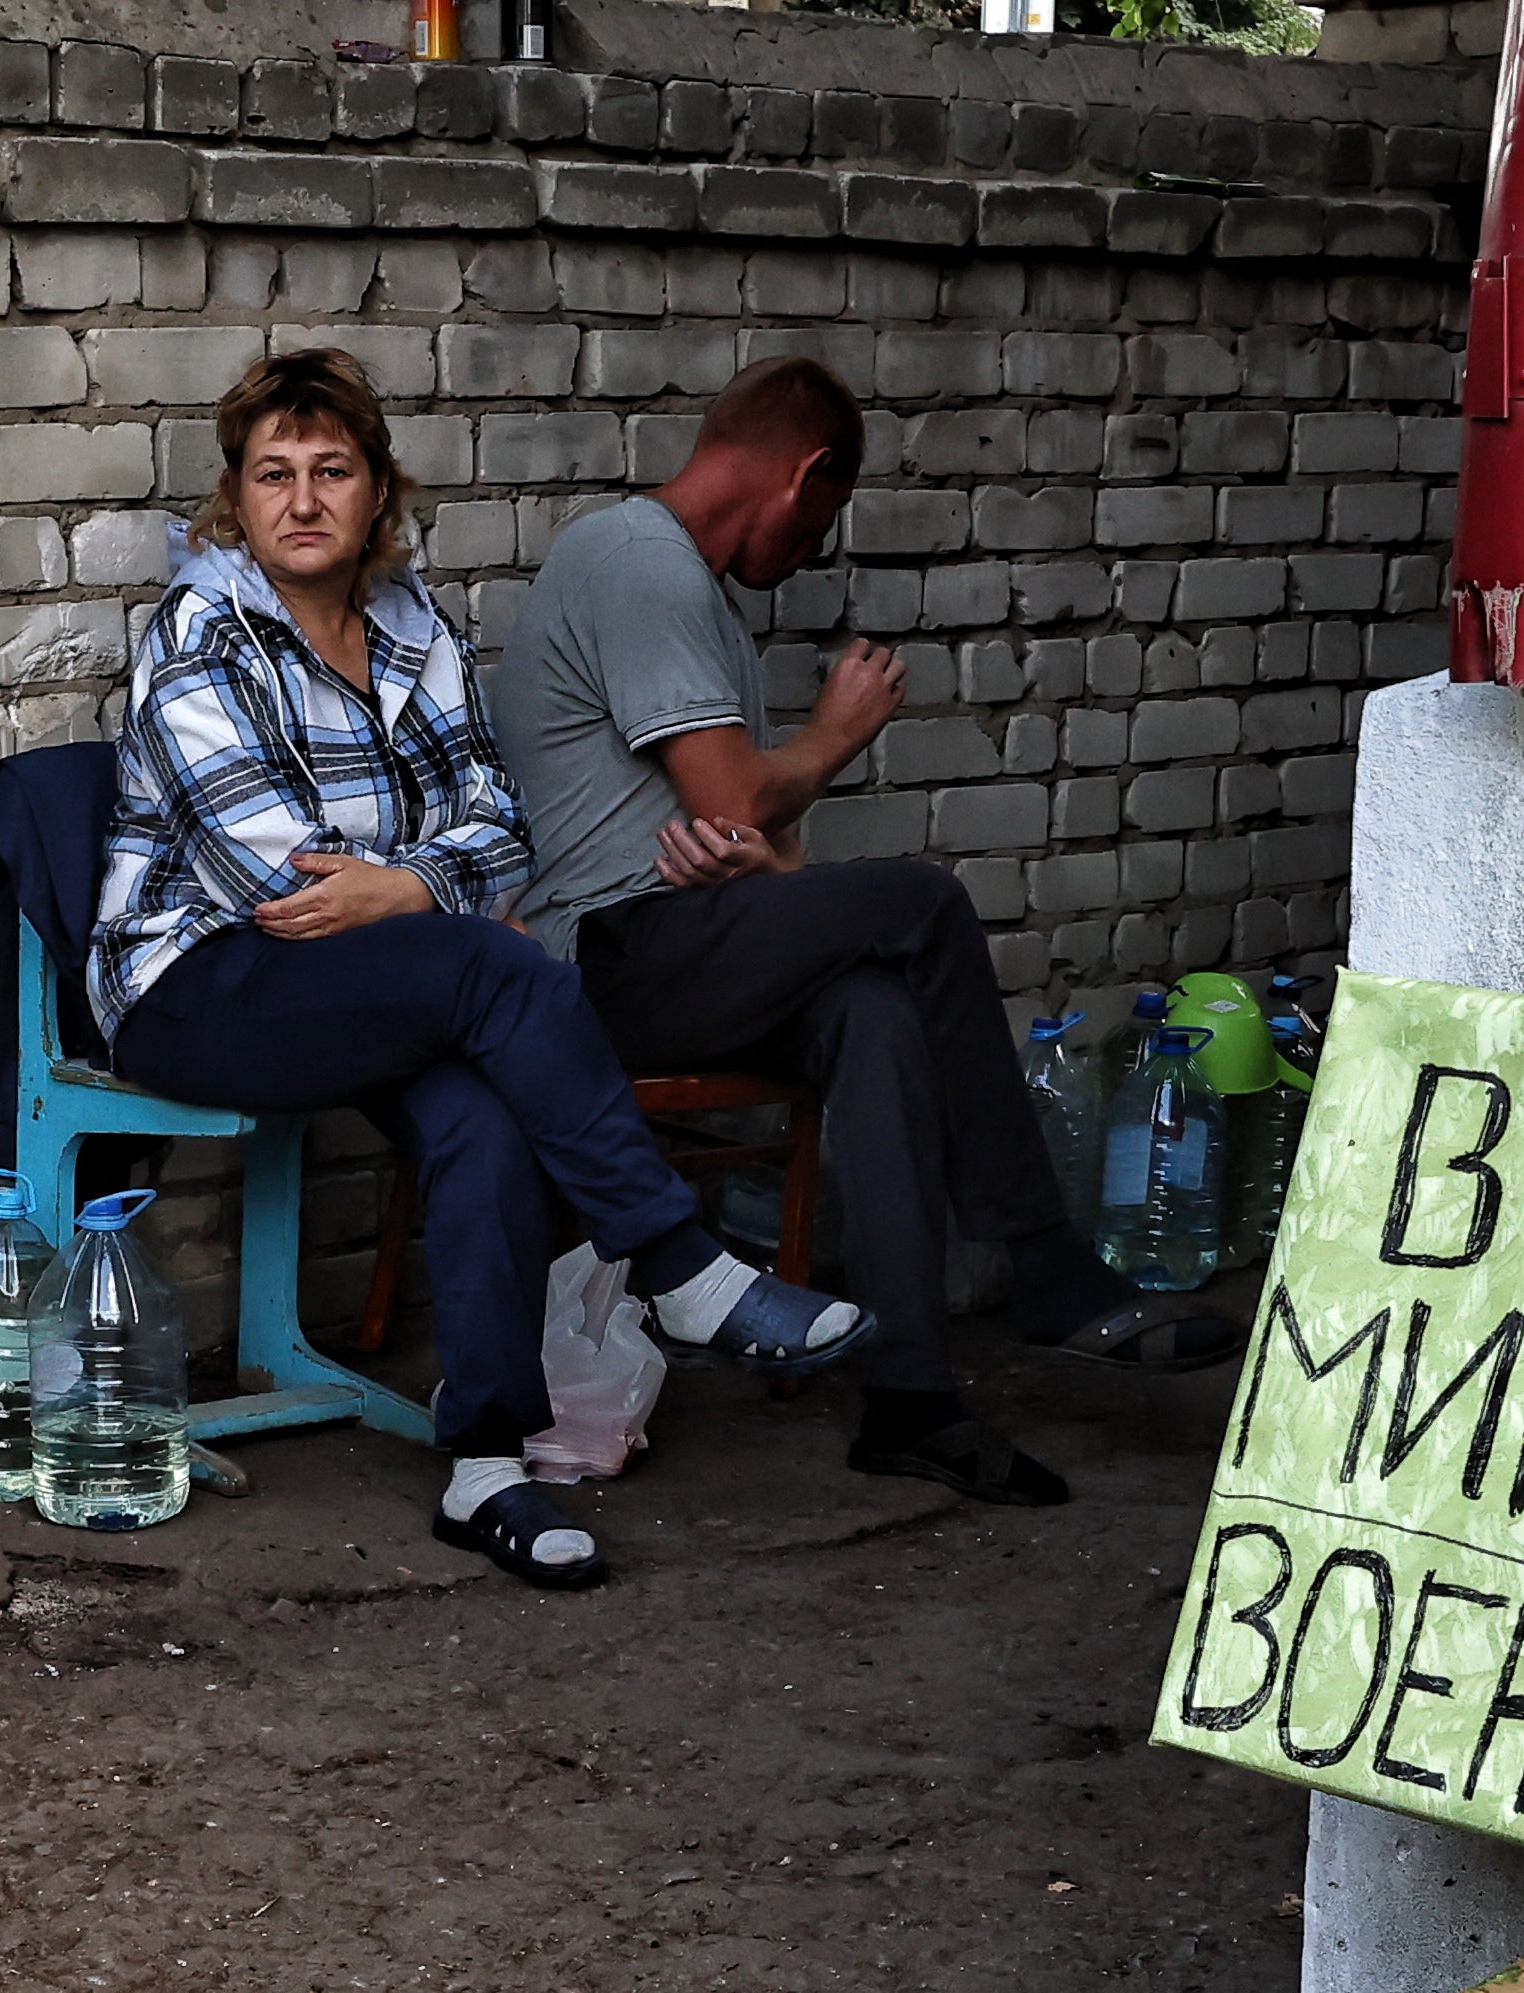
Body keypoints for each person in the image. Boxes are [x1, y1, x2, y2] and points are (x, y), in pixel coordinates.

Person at [88, 347, 874, 1591]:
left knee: (482, 1113)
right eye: (272, 475)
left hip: (377, 974)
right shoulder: (197, 636)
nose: (302, 501)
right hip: (199, 984)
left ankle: (487, 1465)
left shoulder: (415, 630)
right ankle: (679, 1266)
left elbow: (507, 826)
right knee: (489, 972)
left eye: (331, 471)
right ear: (234, 500)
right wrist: (435, 896)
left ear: (377, 491)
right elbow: (275, 886)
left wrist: (407, 887)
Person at [489, 358, 1241, 1511]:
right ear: (805, 476)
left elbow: (742, 839)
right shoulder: (636, 561)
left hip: (689, 944)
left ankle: (912, 1396)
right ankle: (1040, 1260)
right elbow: (738, 796)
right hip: (598, 962)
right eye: (825, 517)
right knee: (922, 899)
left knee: (877, 1010)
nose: (814, 548)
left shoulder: (688, 594)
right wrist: (835, 737)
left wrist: (751, 849)